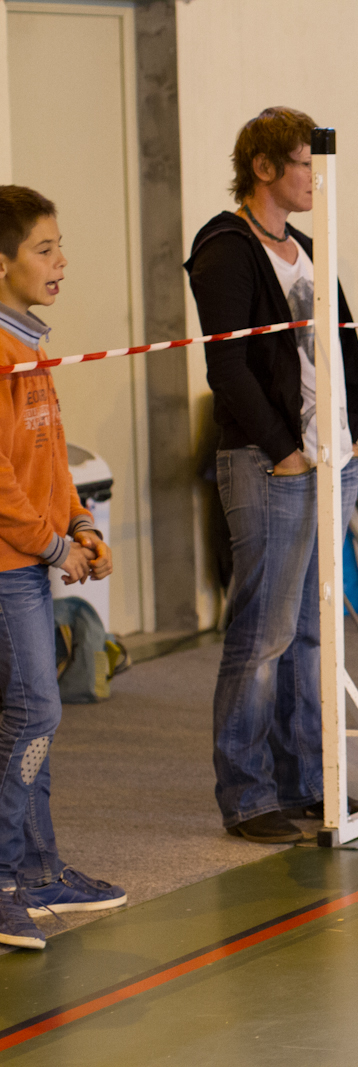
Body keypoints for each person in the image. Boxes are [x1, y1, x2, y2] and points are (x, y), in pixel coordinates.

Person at [187, 107, 358, 844]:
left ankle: (307, 780)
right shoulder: (224, 248)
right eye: (301, 162)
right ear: (263, 168)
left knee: (311, 635)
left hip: (333, 460)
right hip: (270, 464)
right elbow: (227, 367)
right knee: (262, 635)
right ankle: (247, 792)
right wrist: (284, 448)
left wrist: (355, 427)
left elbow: (346, 346)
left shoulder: (309, 248)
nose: (313, 177)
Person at [0, 186, 126, 950]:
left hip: (34, 556)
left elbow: (47, 459)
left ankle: (38, 872)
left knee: (31, 711)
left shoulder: (31, 344)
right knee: (34, 713)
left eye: (59, 247)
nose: (61, 262)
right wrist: (55, 546)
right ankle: (3, 878)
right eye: (44, 250)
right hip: (8, 564)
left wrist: (80, 524)